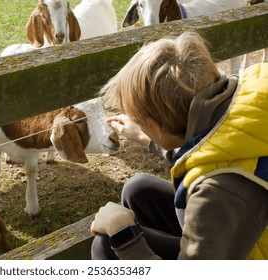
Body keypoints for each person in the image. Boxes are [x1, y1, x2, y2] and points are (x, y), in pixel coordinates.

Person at [90, 32, 268, 260]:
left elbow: (221, 186)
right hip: (248, 234)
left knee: (107, 246)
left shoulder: (219, 192)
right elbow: (222, 149)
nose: (140, 127)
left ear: (160, 127)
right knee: (139, 190)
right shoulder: (252, 90)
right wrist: (150, 138)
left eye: (143, 123)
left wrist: (124, 233)